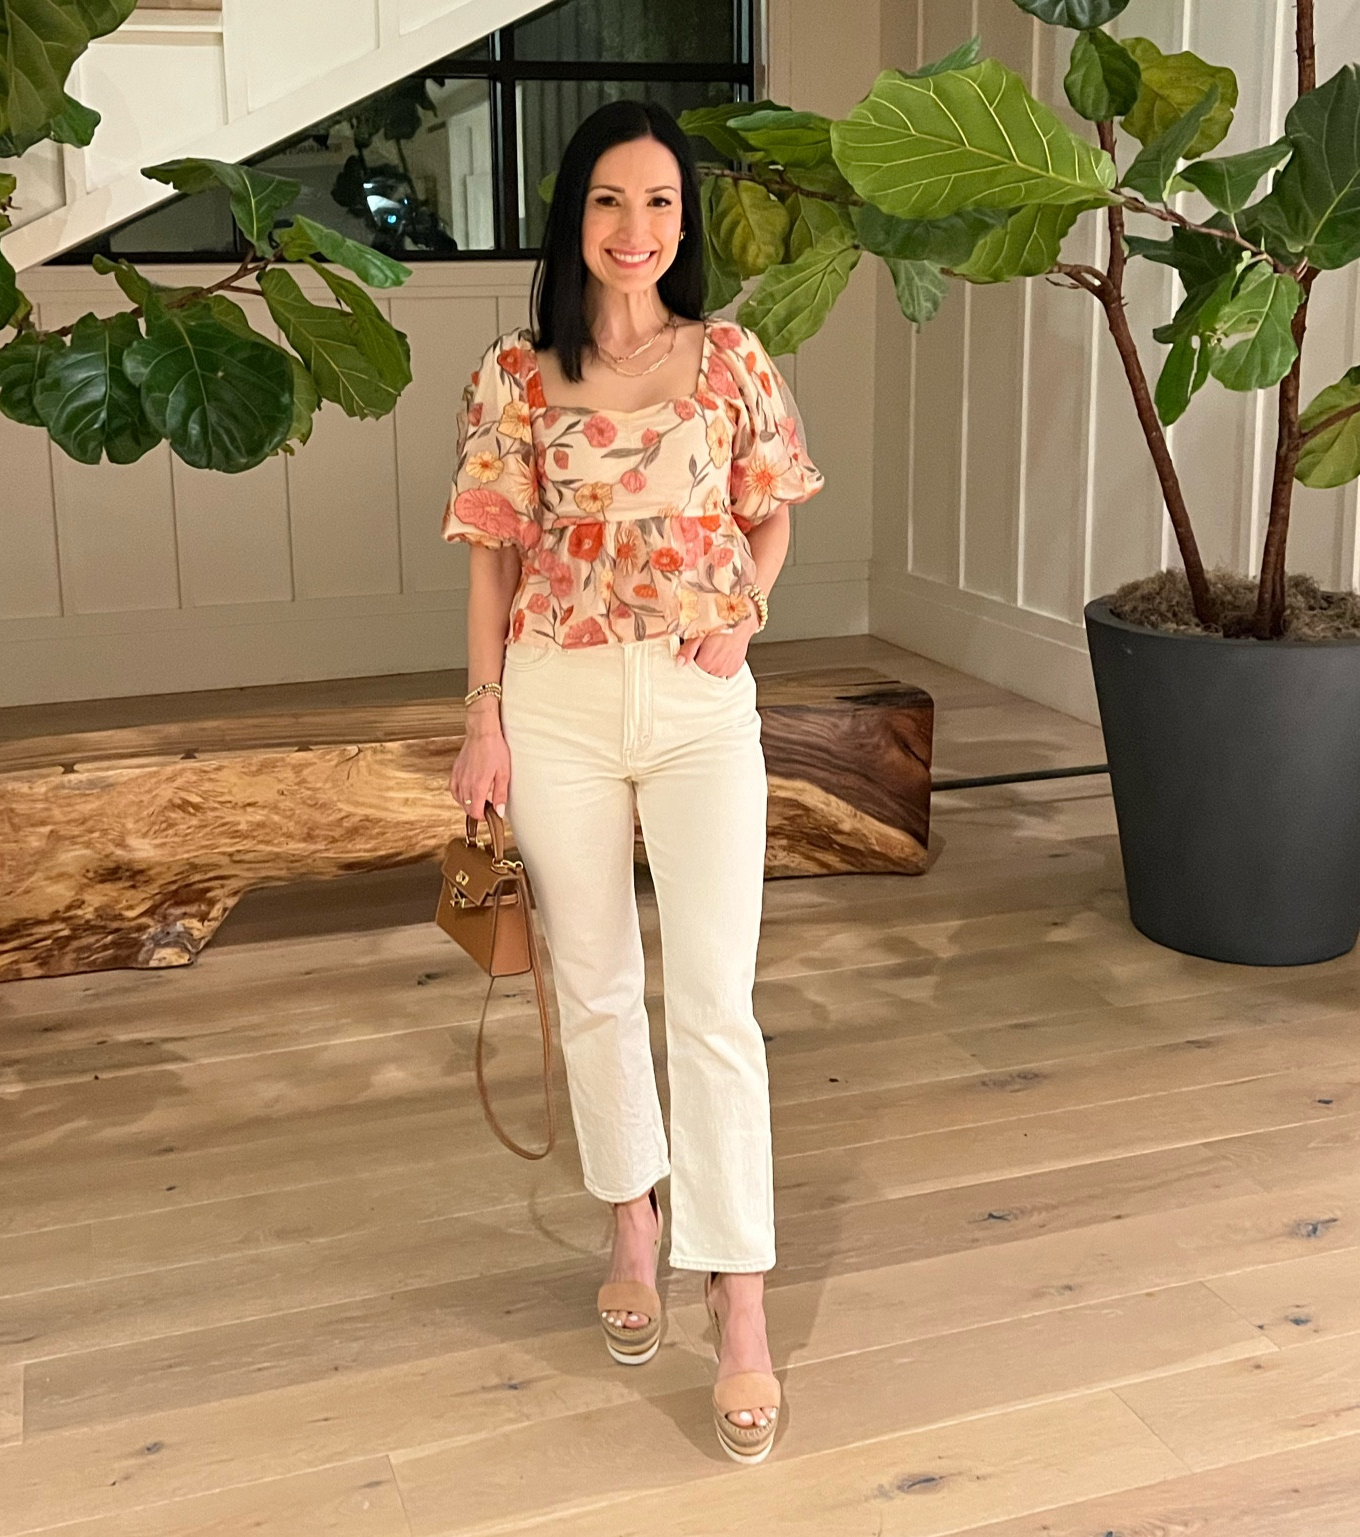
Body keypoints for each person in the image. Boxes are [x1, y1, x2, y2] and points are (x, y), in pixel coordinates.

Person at [440, 98, 823, 1465]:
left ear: (684, 222)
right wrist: (480, 714)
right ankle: (631, 1217)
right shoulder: (514, 373)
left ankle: (738, 1306)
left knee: (713, 999)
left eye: (659, 202)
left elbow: (770, 510)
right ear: (573, 214)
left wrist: (745, 616)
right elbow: (490, 550)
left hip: (698, 697)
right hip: (550, 699)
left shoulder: (725, 358)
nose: (634, 228)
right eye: (610, 200)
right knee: (595, 980)